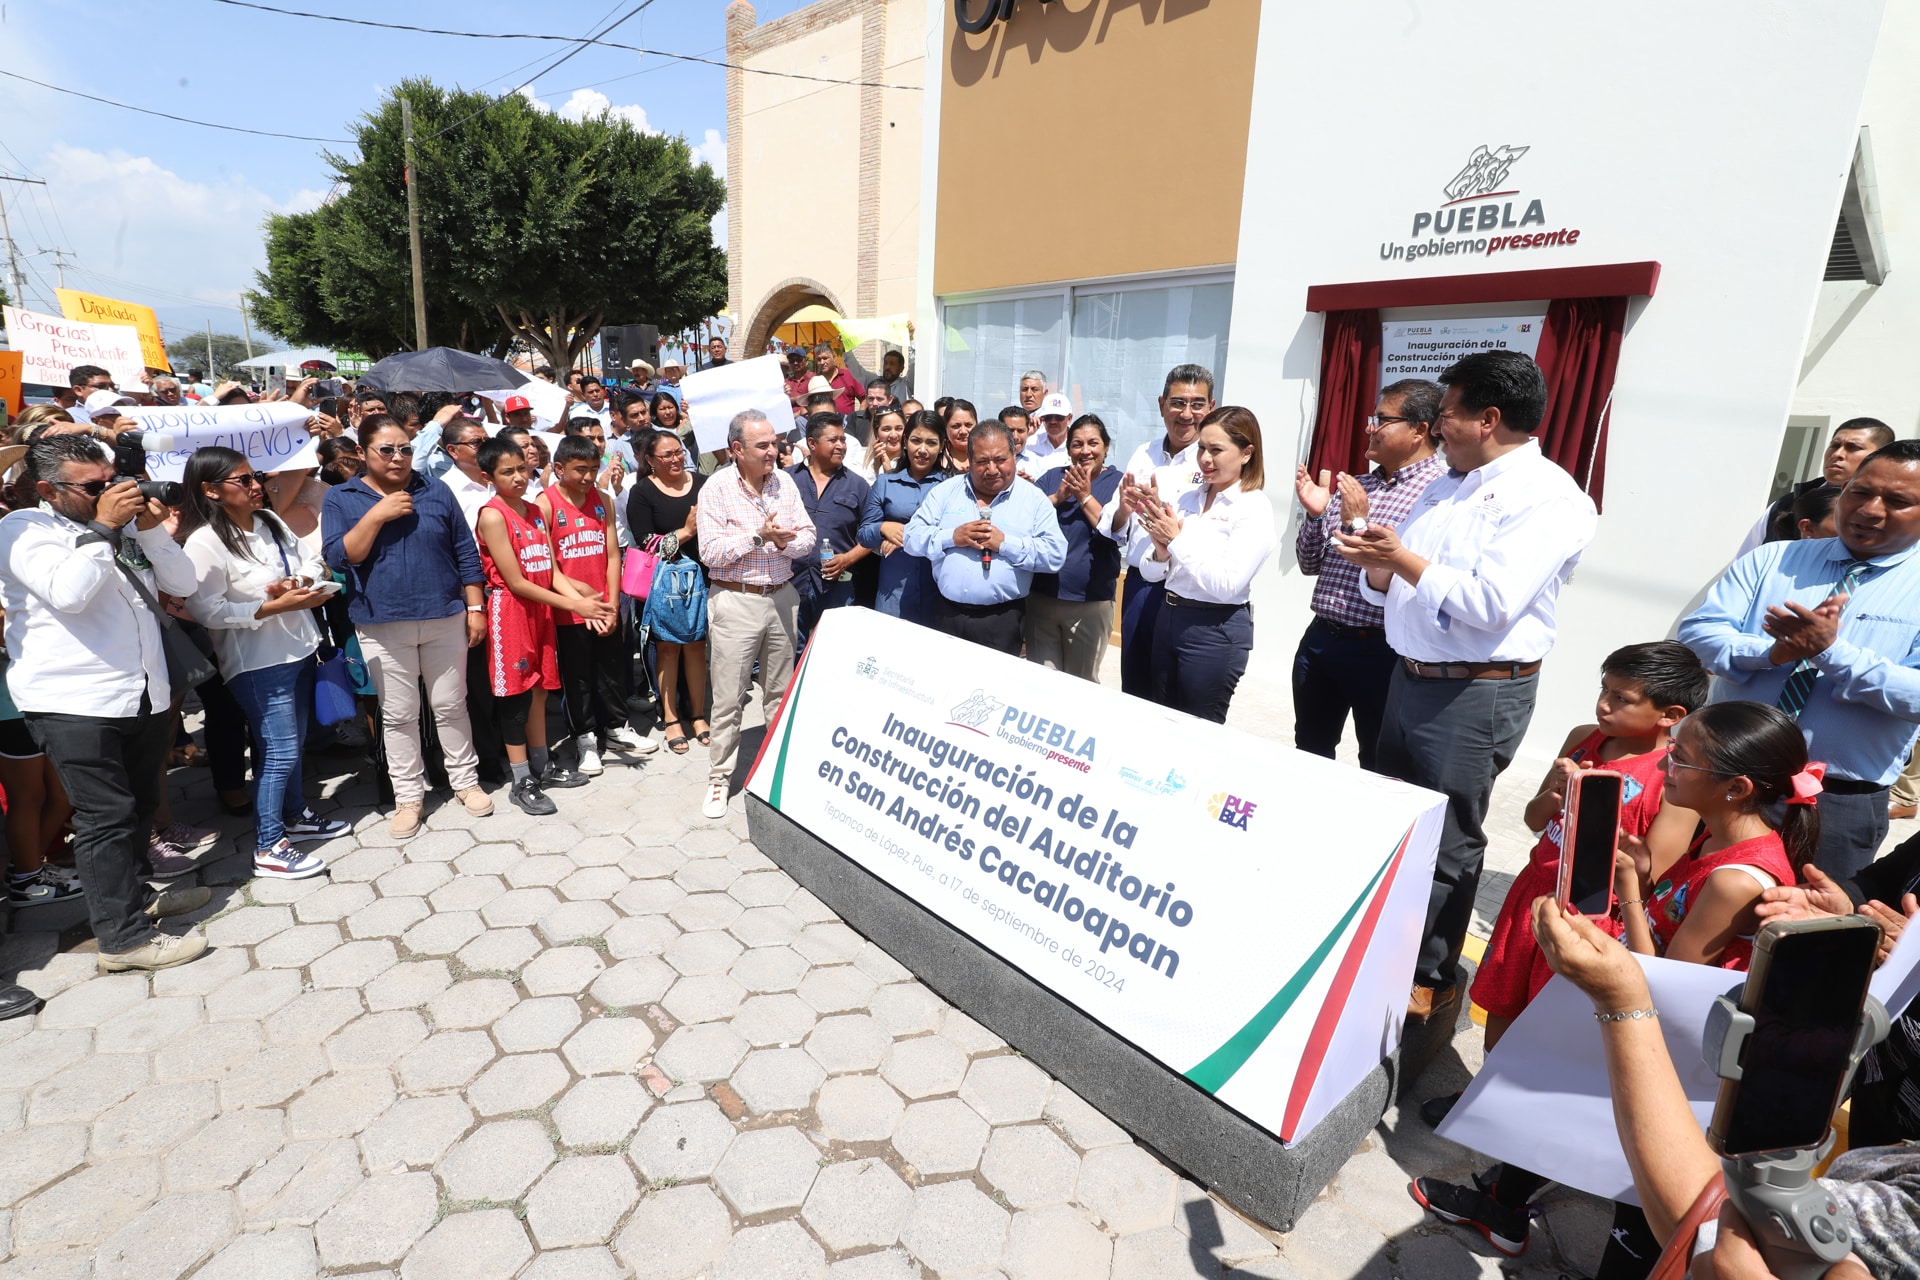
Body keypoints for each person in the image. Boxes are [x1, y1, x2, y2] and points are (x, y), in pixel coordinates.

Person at [1334, 350, 1598, 1023]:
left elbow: (1489, 604)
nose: (1436, 429)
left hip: (1474, 693)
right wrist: (1378, 561)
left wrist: (1400, 559)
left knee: (1448, 841)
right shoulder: (1447, 483)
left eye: (1446, 416)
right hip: (1409, 675)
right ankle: (1380, 946)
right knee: (1392, 822)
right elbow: (1398, 580)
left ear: (1488, 418)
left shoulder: (1548, 497)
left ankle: (1429, 974)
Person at [0, 433, 210, 972]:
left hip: (139, 690)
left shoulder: (119, 528)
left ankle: (135, 897)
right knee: (104, 817)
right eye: (94, 486)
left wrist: (151, 534)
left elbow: (183, 581)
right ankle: (123, 941)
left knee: (141, 804)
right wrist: (106, 527)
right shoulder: (23, 529)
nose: (111, 490)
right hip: (73, 698)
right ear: (48, 488)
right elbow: (69, 593)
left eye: (113, 478)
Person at [1681, 439, 1920, 881]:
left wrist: (1831, 653)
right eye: (1860, 492)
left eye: (1898, 501)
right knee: (1691, 917)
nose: (1870, 509)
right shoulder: (1774, 559)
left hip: (1838, 802)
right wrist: (1770, 653)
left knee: (1801, 938)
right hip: (1728, 782)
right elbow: (1698, 635)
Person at [321, 416, 497, 839]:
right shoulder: (341, 498)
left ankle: (465, 782)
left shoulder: (435, 490)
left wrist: (475, 609)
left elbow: (465, 554)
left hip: (445, 615)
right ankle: (408, 797)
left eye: (405, 448)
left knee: (451, 705)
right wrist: (376, 516)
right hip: (382, 623)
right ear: (363, 453)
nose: (398, 457)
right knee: (399, 715)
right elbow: (340, 558)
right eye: (387, 449)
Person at [178, 447, 349, 878]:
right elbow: (207, 610)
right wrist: (271, 605)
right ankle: (269, 846)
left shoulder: (269, 521)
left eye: (255, 477)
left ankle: (295, 817)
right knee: (279, 751)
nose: (257, 486)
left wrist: (300, 582)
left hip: (301, 647)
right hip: (256, 662)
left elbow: (309, 556)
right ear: (210, 490)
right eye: (244, 480)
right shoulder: (204, 542)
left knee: (294, 745)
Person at [1291, 379, 1446, 770]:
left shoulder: (1439, 494)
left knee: (1377, 760)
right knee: (1309, 749)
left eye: (1382, 419)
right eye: (1371, 419)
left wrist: (1359, 521)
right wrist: (1315, 513)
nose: (1371, 429)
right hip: (1323, 639)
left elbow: (1399, 576)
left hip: (1382, 651)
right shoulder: (1359, 484)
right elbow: (1309, 564)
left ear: (1419, 430)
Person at [474, 438, 609, 814]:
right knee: (515, 697)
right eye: (507, 472)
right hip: (512, 612)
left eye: (522, 468)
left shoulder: (534, 510)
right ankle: (521, 781)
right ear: (488, 476)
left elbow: (550, 571)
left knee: (539, 691)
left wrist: (584, 604)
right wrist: (574, 603)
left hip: (542, 611)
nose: (518, 477)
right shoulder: (493, 514)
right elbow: (516, 582)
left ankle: (541, 764)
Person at [1122, 406, 1277, 720]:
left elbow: (1227, 584)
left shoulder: (1252, 507)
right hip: (1168, 616)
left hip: (1214, 628)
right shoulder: (1188, 498)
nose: (1205, 459)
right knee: (1162, 720)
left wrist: (1176, 541)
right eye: (1202, 449)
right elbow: (1153, 574)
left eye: (1217, 450)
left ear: (1247, 453)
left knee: (1198, 731)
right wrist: (1161, 552)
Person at [698, 410, 816, 819]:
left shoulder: (784, 482)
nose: (773, 451)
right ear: (736, 450)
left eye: (774, 442)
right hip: (735, 601)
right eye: (762, 445)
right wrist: (757, 537)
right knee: (729, 698)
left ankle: (778, 773)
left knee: (781, 696)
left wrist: (785, 544)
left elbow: (809, 537)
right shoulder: (715, 488)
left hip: (782, 597)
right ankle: (718, 780)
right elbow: (709, 553)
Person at [541, 435, 655, 773]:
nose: (589, 477)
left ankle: (616, 728)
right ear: (559, 468)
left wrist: (612, 602)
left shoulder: (602, 499)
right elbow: (549, 566)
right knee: (578, 677)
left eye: (593, 469)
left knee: (612, 670)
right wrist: (579, 602)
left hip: (605, 605)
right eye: (580, 470)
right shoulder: (545, 504)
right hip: (570, 611)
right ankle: (584, 737)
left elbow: (612, 553)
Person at [905, 420, 1067, 655]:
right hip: (947, 614)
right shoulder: (945, 492)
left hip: (1002, 620)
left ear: (1014, 454)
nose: (992, 469)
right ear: (969, 460)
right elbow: (911, 537)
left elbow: (1054, 555)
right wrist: (953, 537)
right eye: (982, 461)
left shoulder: (1034, 500)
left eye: (1000, 459)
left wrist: (1005, 544)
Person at [1113, 364, 1214, 698]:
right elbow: (1116, 525)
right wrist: (1127, 508)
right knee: (1135, 683)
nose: (1187, 414)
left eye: (1197, 404)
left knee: (1171, 693)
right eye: (1178, 403)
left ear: (1211, 407)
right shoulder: (1144, 453)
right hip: (1140, 585)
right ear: (1161, 405)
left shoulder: (1214, 464)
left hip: (1183, 592)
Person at [628, 428, 709, 755]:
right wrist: (687, 532)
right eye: (667, 455)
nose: (676, 459)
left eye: (679, 452)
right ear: (650, 460)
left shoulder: (703, 484)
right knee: (668, 650)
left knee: (697, 648)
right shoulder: (642, 492)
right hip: (664, 585)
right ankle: (672, 718)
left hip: (702, 579)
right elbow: (646, 543)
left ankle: (699, 714)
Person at [1029, 415, 1124, 680]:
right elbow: (1026, 517)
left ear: (1106, 447)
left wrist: (1083, 496)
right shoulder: (1051, 478)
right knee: (1042, 681)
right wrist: (1058, 497)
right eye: (1077, 444)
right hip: (1042, 597)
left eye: (1093, 443)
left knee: (1081, 684)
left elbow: (1115, 531)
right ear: (1068, 448)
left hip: (1090, 603)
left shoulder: (1117, 483)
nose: (1085, 451)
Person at [1738, 418, 1893, 554]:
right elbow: (1746, 560)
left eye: (1853, 447)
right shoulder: (1785, 504)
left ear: (1880, 456)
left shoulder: (1892, 511)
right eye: (1834, 445)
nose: (1837, 454)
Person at [789, 413, 871, 653]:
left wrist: (847, 559)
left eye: (843, 440)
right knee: (790, 650)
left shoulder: (858, 485)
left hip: (837, 585)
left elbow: (871, 536)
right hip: (790, 583)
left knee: (833, 650)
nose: (841, 446)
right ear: (812, 444)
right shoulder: (785, 479)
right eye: (833, 440)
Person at [859, 412, 946, 627]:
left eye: (931, 443)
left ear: (942, 445)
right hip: (893, 595)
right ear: (905, 441)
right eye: (916, 441)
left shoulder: (951, 486)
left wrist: (906, 534)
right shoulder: (886, 483)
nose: (922, 450)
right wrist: (884, 527)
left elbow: (954, 533)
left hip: (937, 595)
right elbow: (864, 535)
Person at [1022, 392, 1074, 474]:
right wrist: (1026, 433)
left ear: (1069, 418)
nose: (1053, 421)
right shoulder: (1030, 442)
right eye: (1048, 417)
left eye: (1059, 417)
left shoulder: (1078, 445)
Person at [852, 406, 906, 481]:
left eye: (898, 428)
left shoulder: (911, 462)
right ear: (876, 432)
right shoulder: (861, 458)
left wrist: (888, 470)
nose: (893, 435)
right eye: (886, 429)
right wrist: (875, 466)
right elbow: (860, 490)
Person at [813, 344, 864, 417]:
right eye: (818, 359)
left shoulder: (848, 375)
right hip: (822, 424)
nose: (822, 362)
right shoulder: (815, 380)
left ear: (834, 358)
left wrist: (859, 419)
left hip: (847, 425)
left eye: (825, 358)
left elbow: (864, 399)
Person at [940, 399, 977, 473]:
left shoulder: (987, 455)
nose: (963, 431)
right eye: (956, 426)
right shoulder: (937, 460)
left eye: (968, 425)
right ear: (945, 427)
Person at [784, 349, 814, 415]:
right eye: (792, 360)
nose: (795, 363)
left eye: (798, 359)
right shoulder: (786, 382)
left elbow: (816, 400)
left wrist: (793, 400)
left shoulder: (814, 378)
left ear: (806, 361)